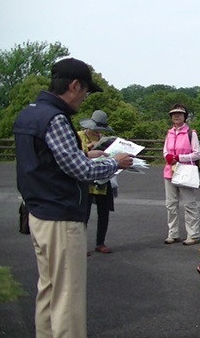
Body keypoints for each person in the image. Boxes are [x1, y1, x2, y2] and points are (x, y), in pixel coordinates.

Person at [13, 57, 132, 338]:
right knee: (68, 296)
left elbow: (47, 161)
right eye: (85, 91)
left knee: (48, 289)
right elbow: (79, 169)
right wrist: (116, 162)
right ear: (74, 85)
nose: (84, 98)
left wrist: (84, 154)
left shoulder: (29, 113)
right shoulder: (56, 118)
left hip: (37, 212)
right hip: (61, 216)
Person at [77, 110, 116, 255]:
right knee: (83, 213)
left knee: (104, 213)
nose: (97, 131)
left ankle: (100, 243)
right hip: (86, 178)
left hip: (103, 179)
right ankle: (80, 244)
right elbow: (73, 156)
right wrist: (87, 151)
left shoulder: (104, 139)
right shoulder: (79, 136)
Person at [163, 104, 200, 245]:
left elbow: (197, 154)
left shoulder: (191, 133)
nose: (176, 116)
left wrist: (180, 157)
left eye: (179, 113)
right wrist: (168, 157)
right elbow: (165, 151)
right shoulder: (170, 133)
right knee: (171, 204)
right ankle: (172, 233)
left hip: (185, 172)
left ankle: (193, 234)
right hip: (170, 172)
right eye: (174, 114)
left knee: (189, 204)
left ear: (185, 116)